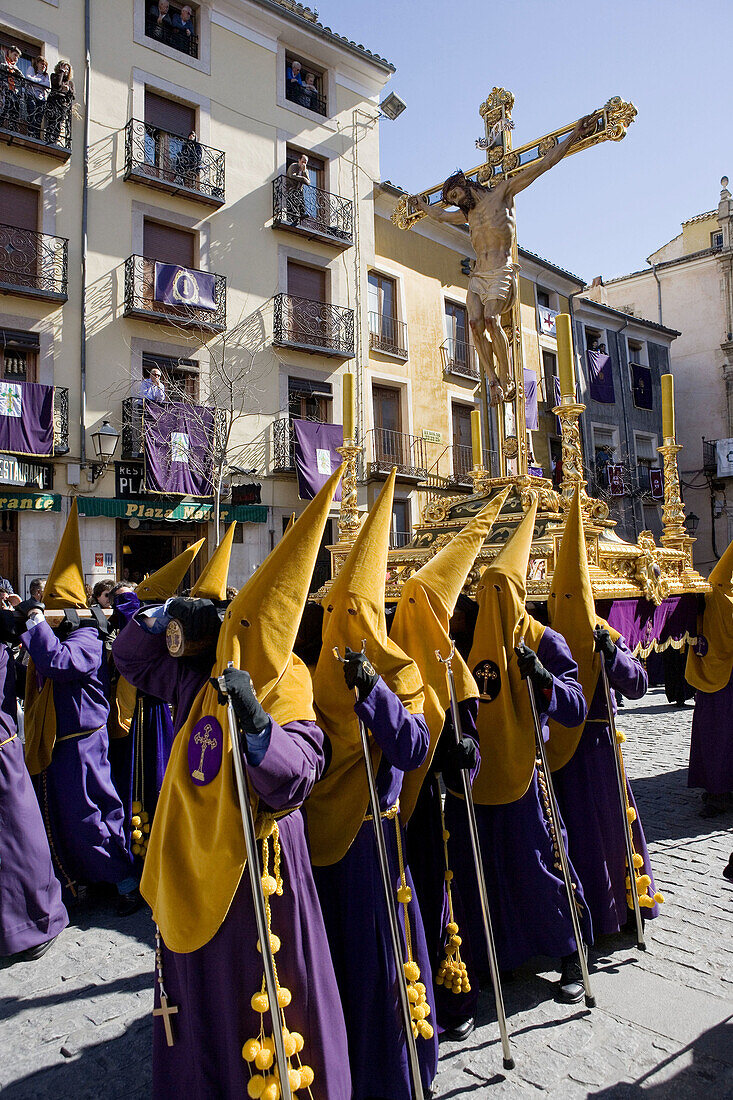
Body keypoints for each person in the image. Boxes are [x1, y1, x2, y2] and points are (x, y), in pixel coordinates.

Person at [114, 468, 352, 1100]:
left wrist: (254, 722)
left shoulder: (290, 678)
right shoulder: (202, 677)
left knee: (261, 996)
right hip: (194, 854)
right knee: (198, 1002)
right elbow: (133, 660)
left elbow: (298, 775)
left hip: (259, 867)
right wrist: (167, 611)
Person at [306, 472, 438, 1100]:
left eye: (347, 612)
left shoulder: (398, 669)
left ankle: (393, 1072)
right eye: (330, 611)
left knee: (382, 962)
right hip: (320, 847)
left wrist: (375, 694)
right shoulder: (309, 672)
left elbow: (414, 748)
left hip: (374, 846)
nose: (337, 621)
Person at [442, 496, 593, 1025]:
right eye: (485, 593)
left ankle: (573, 952)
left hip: (528, 777)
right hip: (473, 782)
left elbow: (576, 706)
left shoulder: (543, 640)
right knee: (482, 873)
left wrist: (544, 679)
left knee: (542, 868)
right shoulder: (462, 645)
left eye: (500, 592)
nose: (491, 601)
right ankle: (490, 961)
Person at [394, 491, 509, 1041]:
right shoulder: (390, 664)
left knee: (452, 898)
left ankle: (460, 994)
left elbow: (472, 739)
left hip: (449, 810)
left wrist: (465, 756)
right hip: (407, 809)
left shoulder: (457, 668)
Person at [415, 112, 599, 405]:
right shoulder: (467, 214)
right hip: (479, 274)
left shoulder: (501, 193)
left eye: (456, 193)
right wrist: (420, 206)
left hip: (501, 270)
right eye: (452, 199)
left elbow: (544, 164)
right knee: (474, 324)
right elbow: (438, 216)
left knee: (490, 319)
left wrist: (574, 134)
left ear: (464, 183)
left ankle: (508, 377)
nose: (456, 200)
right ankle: (493, 380)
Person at [547, 490, 663, 937]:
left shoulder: (604, 631)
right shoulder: (546, 636)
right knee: (574, 835)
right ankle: (584, 916)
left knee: (611, 829)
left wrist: (612, 653)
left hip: (598, 748)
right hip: (560, 752)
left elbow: (638, 685)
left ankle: (624, 906)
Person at [21, 501, 138, 915]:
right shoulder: (63, 637)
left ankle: (124, 881)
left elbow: (59, 663)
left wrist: (35, 624)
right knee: (68, 819)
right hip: (61, 745)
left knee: (95, 815)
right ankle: (84, 880)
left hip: (85, 743)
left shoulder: (86, 638)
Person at [0, 604, 68, 968]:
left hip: (4, 753)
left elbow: (59, 661)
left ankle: (37, 921)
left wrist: (37, 624)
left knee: (18, 841)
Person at [685, 536, 733, 818]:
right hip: (726, 681)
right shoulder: (724, 599)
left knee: (715, 739)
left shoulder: (709, 595)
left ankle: (716, 791)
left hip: (712, 680)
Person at [44, 61, 74, 146]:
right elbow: (57, 84)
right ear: (59, 67)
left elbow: (73, 96)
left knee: (59, 124)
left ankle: (55, 140)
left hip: (63, 105)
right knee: (52, 121)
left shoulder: (70, 83)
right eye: (64, 68)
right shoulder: (54, 76)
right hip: (53, 101)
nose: (66, 70)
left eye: (67, 69)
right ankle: (49, 139)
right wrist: (61, 72)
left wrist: (68, 89)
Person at [24, 56, 50, 140]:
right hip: (31, 95)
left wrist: (35, 80)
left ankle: (35, 135)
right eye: (42, 64)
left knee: (39, 118)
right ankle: (30, 134)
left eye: (45, 65)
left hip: (41, 98)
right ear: (37, 63)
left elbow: (48, 85)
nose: (44, 66)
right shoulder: (31, 68)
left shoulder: (46, 75)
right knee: (31, 113)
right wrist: (40, 81)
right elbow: (28, 78)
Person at [0, 46, 23, 132]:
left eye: (17, 57)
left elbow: (23, 80)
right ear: (9, 52)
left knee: (15, 109)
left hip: (14, 91)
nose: (16, 58)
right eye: (15, 55)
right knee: (6, 108)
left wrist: (18, 72)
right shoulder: (2, 59)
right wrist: (8, 67)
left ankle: (13, 128)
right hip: (4, 89)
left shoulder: (15, 67)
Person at [285, 154, 310, 224]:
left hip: (298, 190)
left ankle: (301, 214)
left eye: (305, 163)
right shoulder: (294, 166)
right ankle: (294, 217)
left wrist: (304, 172)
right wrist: (303, 178)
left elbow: (308, 182)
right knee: (293, 202)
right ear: (299, 160)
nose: (304, 164)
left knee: (300, 199)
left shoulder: (306, 171)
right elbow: (292, 176)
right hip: (290, 189)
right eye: (302, 162)